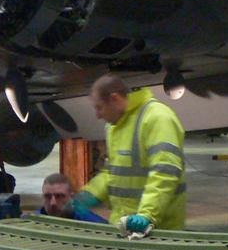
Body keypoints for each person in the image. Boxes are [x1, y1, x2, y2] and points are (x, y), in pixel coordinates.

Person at [72, 74, 187, 234]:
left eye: (99, 107)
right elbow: (114, 171)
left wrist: (147, 215)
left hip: (159, 230)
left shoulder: (158, 119)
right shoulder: (114, 126)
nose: (97, 115)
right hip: (125, 226)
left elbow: (164, 173)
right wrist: (91, 193)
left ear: (115, 99)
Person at [36, 173, 106, 223]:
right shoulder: (29, 222)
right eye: (47, 196)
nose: (53, 203)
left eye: (59, 196)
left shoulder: (94, 225)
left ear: (71, 197)